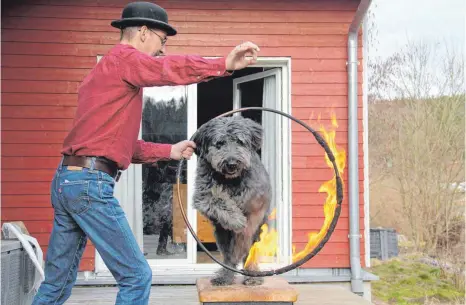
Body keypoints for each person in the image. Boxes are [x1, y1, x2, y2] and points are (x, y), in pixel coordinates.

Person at [31, 2, 260, 305]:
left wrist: (170, 150)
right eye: (162, 41)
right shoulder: (124, 59)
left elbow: (114, 145)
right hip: (89, 185)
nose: (161, 50)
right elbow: (166, 69)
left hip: (68, 183)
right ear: (142, 32)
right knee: (137, 277)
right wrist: (222, 65)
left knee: (56, 285)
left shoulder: (102, 75)